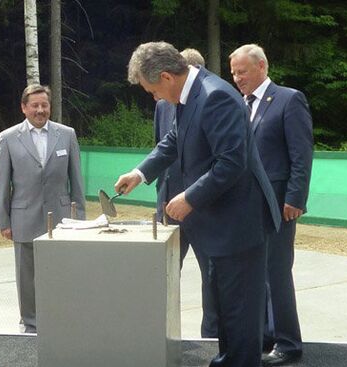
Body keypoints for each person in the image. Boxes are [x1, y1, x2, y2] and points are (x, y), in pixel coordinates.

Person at [115, 41, 281, 367]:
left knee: (241, 311)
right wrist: (140, 172)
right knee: (223, 304)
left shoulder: (214, 96)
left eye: (152, 91)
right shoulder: (188, 94)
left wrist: (189, 197)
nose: (155, 98)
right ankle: (228, 358)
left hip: (239, 224)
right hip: (220, 223)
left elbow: (231, 163)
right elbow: (175, 139)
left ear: (166, 76)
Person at [230, 44, 313, 366]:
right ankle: (264, 335)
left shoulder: (288, 99)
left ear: (262, 66)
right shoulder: (240, 104)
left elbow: (301, 154)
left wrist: (295, 198)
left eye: (243, 71)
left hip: (279, 204)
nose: (237, 78)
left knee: (276, 273)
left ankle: (289, 342)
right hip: (247, 206)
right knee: (254, 273)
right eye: (234, 72)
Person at [0, 84, 86, 334]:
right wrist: (3, 220)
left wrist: (80, 218)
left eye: (44, 105)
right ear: (24, 108)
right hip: (24, 217)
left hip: (62, 218)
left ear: (50, 107)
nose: (40, 110)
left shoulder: (66, 134)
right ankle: (31, 323)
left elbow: (76, 179)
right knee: (27, 277)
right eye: (34, 105)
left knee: (62, 271)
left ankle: (62, 317)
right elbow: (2, 182)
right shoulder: (9, 137)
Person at [153, 47, 217, 338]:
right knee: (163, 275)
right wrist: (149, 180)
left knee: (212, 277)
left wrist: (193, 197)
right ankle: (163, 334)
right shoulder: (163, 105)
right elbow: (164, 147)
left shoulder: (213, 100)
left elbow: (221, 161)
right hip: (169, 205)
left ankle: (212, 336)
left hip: (202, 205)